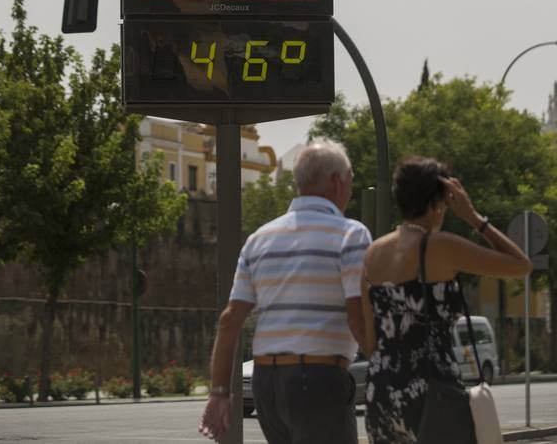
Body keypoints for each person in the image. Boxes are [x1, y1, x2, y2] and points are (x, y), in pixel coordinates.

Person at [198, 142, 372, 444]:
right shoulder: (351, 234)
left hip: (267, 384)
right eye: (351, 179)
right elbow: (357, 317)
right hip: (320, 379)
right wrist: (386, 365)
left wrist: (219, 392)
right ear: (337, 181)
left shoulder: (258, 239)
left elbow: (230, 320)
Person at [362, 157, 532, 444]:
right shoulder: (438, 246)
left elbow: (369, 343)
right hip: (432, 392)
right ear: (439, 201)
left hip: (381, 392)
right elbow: (521, 265)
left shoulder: (373, 253)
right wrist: (475, 218)